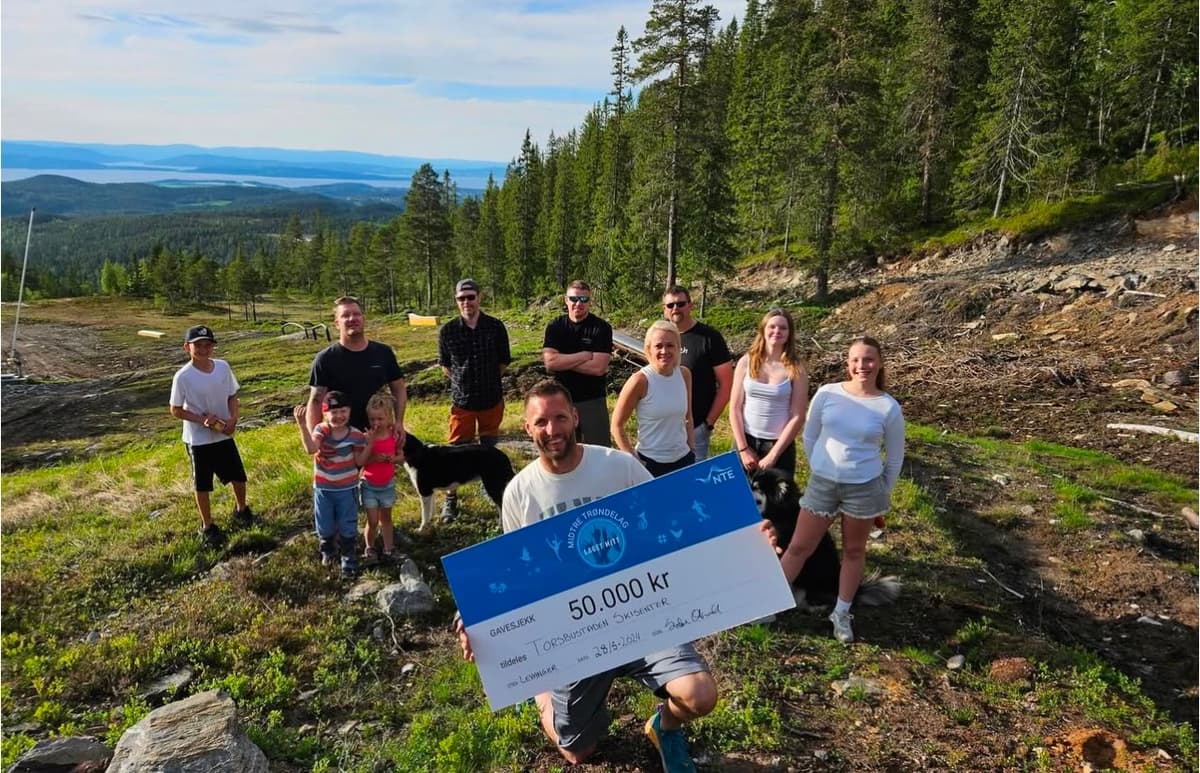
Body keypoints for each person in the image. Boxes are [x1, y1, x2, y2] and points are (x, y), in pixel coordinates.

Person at [457, 379, 715, 772]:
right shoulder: (520, 493)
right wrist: (477, 614)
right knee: (577, 751)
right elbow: (516, 573)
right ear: (527, 428)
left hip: (640, 613)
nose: (552, 429)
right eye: (541, 421)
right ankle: (543, 690)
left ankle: (665, 727)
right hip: (576, 634)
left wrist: (747, 540)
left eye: (560, 417)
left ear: (575, 417)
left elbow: (670, 520)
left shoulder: (620, 467)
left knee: (699, 695)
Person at [779, 336, 905, 644]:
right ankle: (770, 601)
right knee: (798, 547)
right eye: (856, 360)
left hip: (864, 488)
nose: (862, 366)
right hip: (823, 484)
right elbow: (810, 436)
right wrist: (822, 466)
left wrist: (881, 497)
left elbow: (895, 458)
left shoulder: (888, 408)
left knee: (853, 551)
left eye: (869, 359)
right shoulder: (828, 393)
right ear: (848, 363)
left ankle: (842, 612)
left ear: (880, 363)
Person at [168, 324, 253, 548]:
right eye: (198, 345)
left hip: (224, 432)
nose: (204, 349)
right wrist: (200, 420)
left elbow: (232, 395)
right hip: (198, 440)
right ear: (187, 347)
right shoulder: (183, 376)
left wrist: (233, 419)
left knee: (238, 475)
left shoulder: (223, 367)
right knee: (202, 484)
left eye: (208, 345)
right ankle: (207, 526)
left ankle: (242, 510)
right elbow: (175, 409)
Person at [437, 278, 512, 521]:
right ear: (456, 301)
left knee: (489, 448)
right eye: (462, 298)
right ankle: (451, 500)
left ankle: (488, 484)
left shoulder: (495, 327)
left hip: (491, 399)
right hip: (463, 403)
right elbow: (446, 366)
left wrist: (488, 380)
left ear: (479, 297)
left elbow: (503, 362)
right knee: (454, 452)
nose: (467, 302)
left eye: (471, 297)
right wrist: (464, 381)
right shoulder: (447, 331)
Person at [294, 391, 372, 579]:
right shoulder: (321, 430)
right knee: (325, 525)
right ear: (324, 414)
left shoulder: (355, 434)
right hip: (323, 488)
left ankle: (349, 558)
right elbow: (311, 449)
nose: (338, 416)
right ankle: (328, 552)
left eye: (343, 411)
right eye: (333, 412)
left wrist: (369, 444)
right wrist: (303, 426)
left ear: (349, 411)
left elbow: (359, 460)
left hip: (347, 488)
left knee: (348, 523)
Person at [305, 296, 407, 438]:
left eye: (356, 314)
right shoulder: (325, 359)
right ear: (336, 324)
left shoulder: (383, 352)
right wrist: (314, 437)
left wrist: (399, 422)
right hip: (340, 439)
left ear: (363, 319)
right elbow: (316, 400)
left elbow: (399, 388)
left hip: (379, 432)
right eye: (345, 315)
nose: (352, 319)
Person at [729, 308, 808, 477]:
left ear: (789, 333)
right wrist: (743, 449)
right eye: (772, 326)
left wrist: (774, 454)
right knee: (738, 499)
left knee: (776, 503)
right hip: (746, 440)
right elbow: (734, 408)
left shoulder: (796, 368)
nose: (777, 331)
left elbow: (798, 416)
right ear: (763, 329)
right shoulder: (746, 362)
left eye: (783, 328)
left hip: (779, 445)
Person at [611, 321, 696, 477]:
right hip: (650, 463)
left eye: (670, 345)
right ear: (649, 349)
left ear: (678, 348)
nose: (664, 351)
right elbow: (616, 425)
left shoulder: (684, 374)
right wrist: (633, 459)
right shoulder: (640, 381)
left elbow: (688, 415)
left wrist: (691, 447)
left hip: (684, 459)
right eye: (659, 346)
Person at [662, 285, 732, 461]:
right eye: (670, 305)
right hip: (665, 427)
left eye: (680, 304)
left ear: (690, 305)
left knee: (694, 481)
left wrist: (708, 424)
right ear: (664, 309)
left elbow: (726, 384)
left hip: (697, 427)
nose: (675, 308)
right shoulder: (662, 339)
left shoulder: (709, 338)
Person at [542, 280, 613, 447]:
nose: (578, 304)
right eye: (574, 299)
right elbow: (550, 363)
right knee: (565, 449)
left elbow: (598, 368)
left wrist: (563, 360)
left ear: (590, 302)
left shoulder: (601, 328)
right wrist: (584, 355)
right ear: (566, 300)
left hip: (593, 400)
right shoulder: (555, 326)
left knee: (599, 451)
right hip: (562, 401)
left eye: (583, 300)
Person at [360, 393, 400, 563]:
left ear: (389, 418)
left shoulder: (394, 435)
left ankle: (389, 548)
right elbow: (361, 461)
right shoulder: (368, 437)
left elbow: (402, 456)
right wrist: (372, 454)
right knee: (373, 520)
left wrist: (394, 459)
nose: (375, 423)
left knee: (386, 518)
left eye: (380, 419)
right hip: (369, 484)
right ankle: (369, 548)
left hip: (387, 485)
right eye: (372, 419)